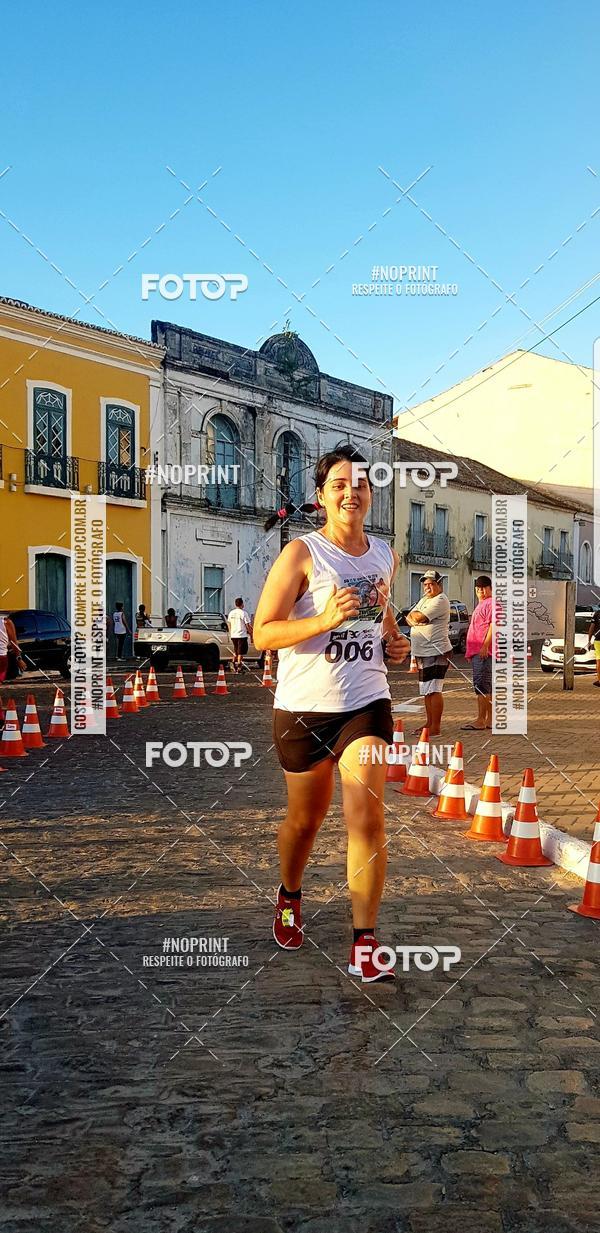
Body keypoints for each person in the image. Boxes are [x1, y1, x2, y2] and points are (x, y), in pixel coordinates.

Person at [253, 445, 410, 983]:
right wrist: (322, 620)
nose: (351, 492)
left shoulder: (384, 554)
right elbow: (263, 633)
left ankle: (365, 942)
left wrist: (394, 643)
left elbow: (382, 621)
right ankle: (289, 893)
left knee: (366, 816)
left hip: (366, 703)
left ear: (371, 494)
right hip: (304, 709)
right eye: (339, 485)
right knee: (305, 821)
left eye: (360, 484)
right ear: (321, 497)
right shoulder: (302, 554)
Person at [405, 570, 452, 737]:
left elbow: (418, 618)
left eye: (431, 584)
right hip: (423, 651)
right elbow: (408, 618)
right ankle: (429, 723)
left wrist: (416, 619)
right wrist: (414, 618)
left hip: (436, 650)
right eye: (425, 584)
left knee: (434, 689)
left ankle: (435, 727)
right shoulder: (424, 599)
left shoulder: (440, 600)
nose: (427, 587)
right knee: (426, 690)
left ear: (439, 584)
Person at [463, 576, 495, 729]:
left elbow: (494, 625)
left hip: (484, 652)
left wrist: (485, 646)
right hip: (478, 651)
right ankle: (489, 720)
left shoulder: (492, 603)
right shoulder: (482, 604)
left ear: (490, 588)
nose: (480, 591)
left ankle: (481, 720)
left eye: (483, 588)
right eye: (478, 588)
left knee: (481, 686)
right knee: (486, 686)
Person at [227, 598, 253, 673]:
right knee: (241, 652)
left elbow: (229, 623)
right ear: (242, 604)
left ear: (235, 604)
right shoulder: (244, 613)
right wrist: (251, 633)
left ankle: (232, 664)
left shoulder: (231, 613)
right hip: (241, 635)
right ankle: (239, 667)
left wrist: (231, 632)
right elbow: (247, 625)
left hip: (233, 635)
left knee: (236, 651)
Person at [0, 614, 23, 683]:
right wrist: (19, 659)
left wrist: (19, 659)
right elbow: (14, 643)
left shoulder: (6, 622)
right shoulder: (6, 622)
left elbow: (14, 643)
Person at [588, 607, 600, 687]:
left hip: (598, 640)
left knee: (599, 660)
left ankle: (599, 680)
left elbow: (592, 627)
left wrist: (589, 641)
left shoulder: (597, 614)